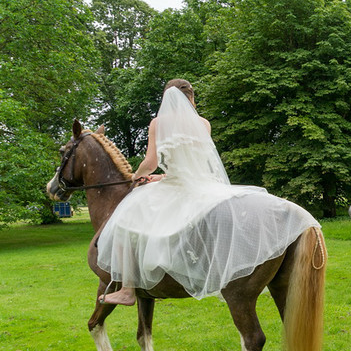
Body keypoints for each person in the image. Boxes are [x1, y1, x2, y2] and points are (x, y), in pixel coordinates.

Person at [97, 79, 319, 306]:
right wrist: (163, 177)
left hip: (176, 186)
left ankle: (127, 289)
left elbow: (151, 161)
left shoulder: (158, 123)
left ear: (166, 99)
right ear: (191, 98)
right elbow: (197, 165)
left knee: (126, 220)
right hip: (199, 184)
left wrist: (135, 178)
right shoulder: (203, 124)